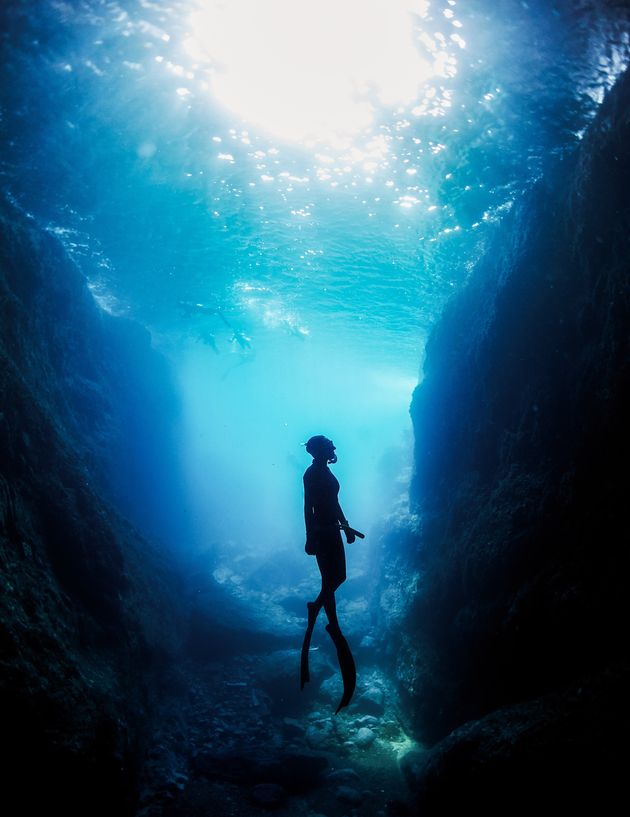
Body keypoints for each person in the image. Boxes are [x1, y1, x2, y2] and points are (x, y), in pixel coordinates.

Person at [301, 435, 357, 713]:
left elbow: (334, 502)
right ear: (321, 450)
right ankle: (322, 612)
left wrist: (345, 526)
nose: (335, 449)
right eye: (330, 446)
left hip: (332, 531)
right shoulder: (312, 473)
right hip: (323, 534)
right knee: (333, 580)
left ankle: (328, 617)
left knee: (336, 578)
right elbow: (307, 508)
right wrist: (310, 537)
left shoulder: (324, 471)